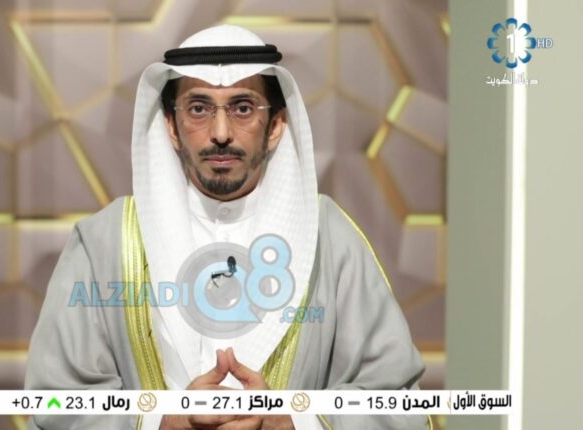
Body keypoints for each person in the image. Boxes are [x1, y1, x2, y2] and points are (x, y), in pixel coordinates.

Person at [25, 24, 429, 429]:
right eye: (199, 109)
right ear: (172, 127)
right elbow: (54, 399)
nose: (220, 133)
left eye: (243, 108)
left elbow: (398, 401)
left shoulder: (330, 238)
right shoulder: (106, 242)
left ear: (275, 126)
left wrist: (291, 421)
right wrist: (165, 421)